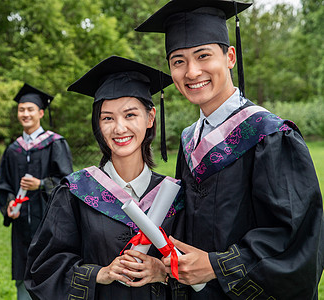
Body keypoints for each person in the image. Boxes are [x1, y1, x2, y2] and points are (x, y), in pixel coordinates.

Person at [135, 0, 324, 299]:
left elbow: (296, 237)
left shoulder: (269, 135)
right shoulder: (190, 141)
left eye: (203, 56)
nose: (192, 71)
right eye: (178, 61)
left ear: (230, 57)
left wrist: (216, 265)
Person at [24, 56, 185, 300]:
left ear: (150, 117)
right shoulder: (76, 192)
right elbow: (42, 271)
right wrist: (99, 274)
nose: (119, 128)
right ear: (98, 124)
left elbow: (198, 274)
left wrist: (162, 271)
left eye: (130, 115)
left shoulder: (173, 196)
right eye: (107, 118)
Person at [0, 83, 73, 300]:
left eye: (30, 109)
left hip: (50, 226)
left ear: (40, 112)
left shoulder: (54, 144)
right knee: (23, 278)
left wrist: (40, 184)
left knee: (50, 275)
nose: (25, 114)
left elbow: (67, 182)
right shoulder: (13, 150)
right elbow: (3, 187)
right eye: (21, 110)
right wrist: (9, 205)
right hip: (22, 228)